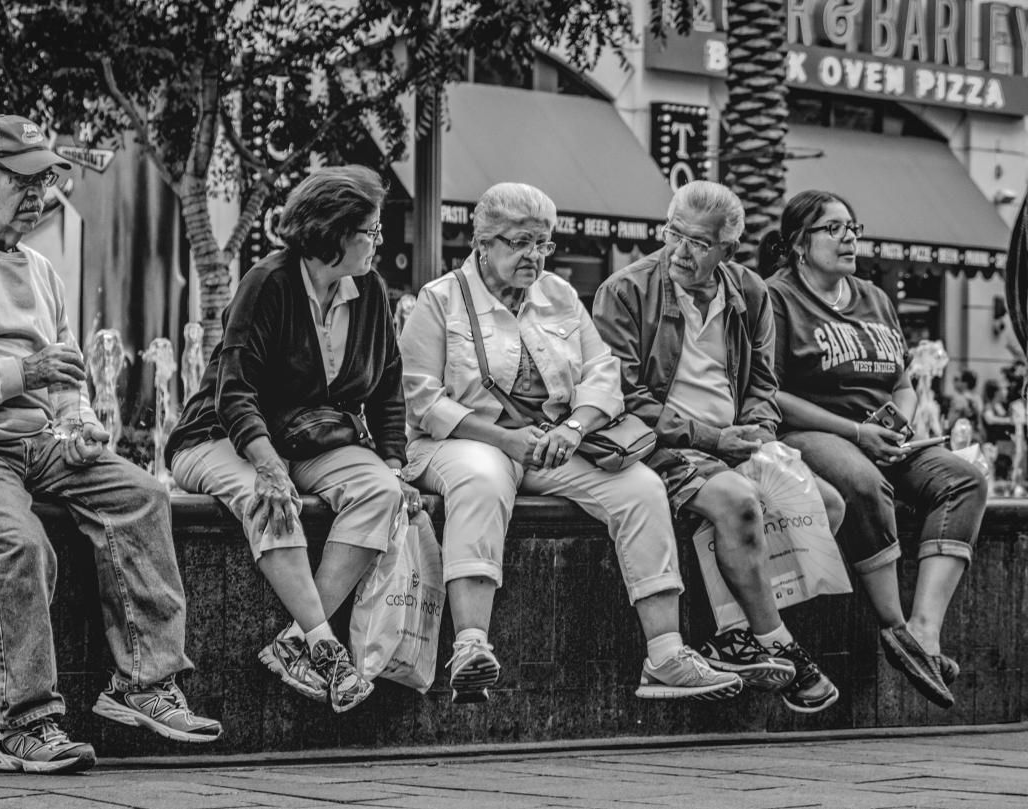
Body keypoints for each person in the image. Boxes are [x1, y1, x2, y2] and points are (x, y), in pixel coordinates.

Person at [0, 115, 220, 775]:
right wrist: (22, 373)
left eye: (45, 180)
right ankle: (25, 725)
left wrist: (79, 420)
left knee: (142, 495)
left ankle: (143, 683)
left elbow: (63, 374)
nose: (38, 194)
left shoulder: (40, 268)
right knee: (21, 543)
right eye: (23, 179)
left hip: (34, 440)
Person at [400, 182, 743, 705]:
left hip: (549, 445)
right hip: (462, 442)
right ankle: (470, 645)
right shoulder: (439, 299)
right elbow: (422, 400)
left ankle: (666, 655)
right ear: (483, 243)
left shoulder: (559, 295)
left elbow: (603, 375)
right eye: (519, 242)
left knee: (641, 488)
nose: (533, 255)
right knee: (482, 478)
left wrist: (573, 429)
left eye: (542, 243)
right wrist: (503, 439)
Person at [166, 165, 413, 714]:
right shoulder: (268, 282)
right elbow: (234, 392)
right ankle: (326, 648)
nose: (379, 241)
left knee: (382, 492)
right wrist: (269, 468)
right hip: (219, 436)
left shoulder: (371, 290)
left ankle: (294, 643)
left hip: (308, 440)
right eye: (370, 231)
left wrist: (395, 466)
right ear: (334, 232)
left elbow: (388, 389)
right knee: (268, 500)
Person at [593, 180, 844, 714]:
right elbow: (622, 398)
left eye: (698, 243)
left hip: (733, 442)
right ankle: (777, 642)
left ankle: (737, 634)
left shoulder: (749, 291)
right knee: (737, 503)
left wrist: (757, 431)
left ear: (727, 250)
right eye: (674, 234)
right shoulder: (626, 290)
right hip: (658, 442)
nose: (680, 251)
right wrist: (712, 439)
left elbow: (764, 384)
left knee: (827, 504)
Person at [759, 188, 987, 709]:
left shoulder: (875, 297)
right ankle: (894, 627)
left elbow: (903, 381)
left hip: (884, 436)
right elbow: (770, 393)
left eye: (852, 228)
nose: (848, 239)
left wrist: (897, 418)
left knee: (965, 480)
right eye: (833, 229)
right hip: (813, 435)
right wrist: (857, 433)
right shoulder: (775, 298)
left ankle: (924, 631)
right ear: (799, 243)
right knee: (862, 482)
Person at [947, 371, 982, 440]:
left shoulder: (959, 399)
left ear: (965, 383)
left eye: (957, 379)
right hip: (975, 435)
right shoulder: (978, 399)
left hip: (961, 437)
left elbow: (951, 422)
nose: (953, 382)